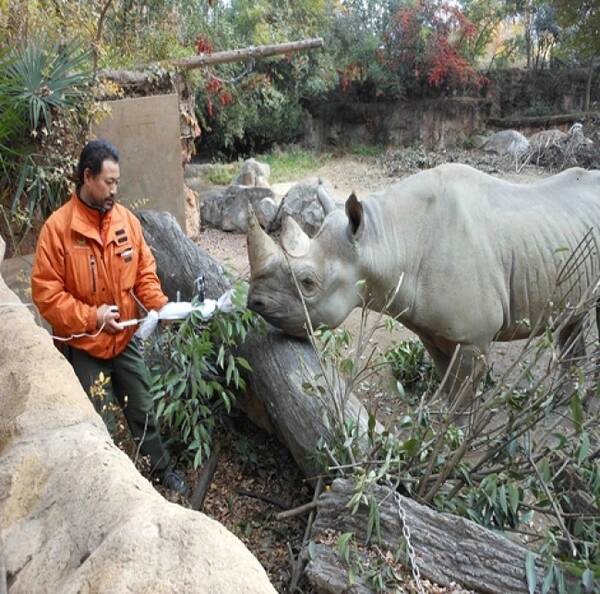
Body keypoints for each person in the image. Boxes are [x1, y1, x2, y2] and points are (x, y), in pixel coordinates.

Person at [31, 139, 188, 496]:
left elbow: (144, 273)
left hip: (125, 340)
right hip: (85, 345)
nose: (114, 190)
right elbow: (46, 295)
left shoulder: (126, 221)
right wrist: (92, 316)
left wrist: (159, 306)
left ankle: (161, 470)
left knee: (143, 406)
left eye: (117, 182)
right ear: (87, 177)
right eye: (108, 182)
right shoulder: (58, 230)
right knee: (99, 420)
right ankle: (113, 489)